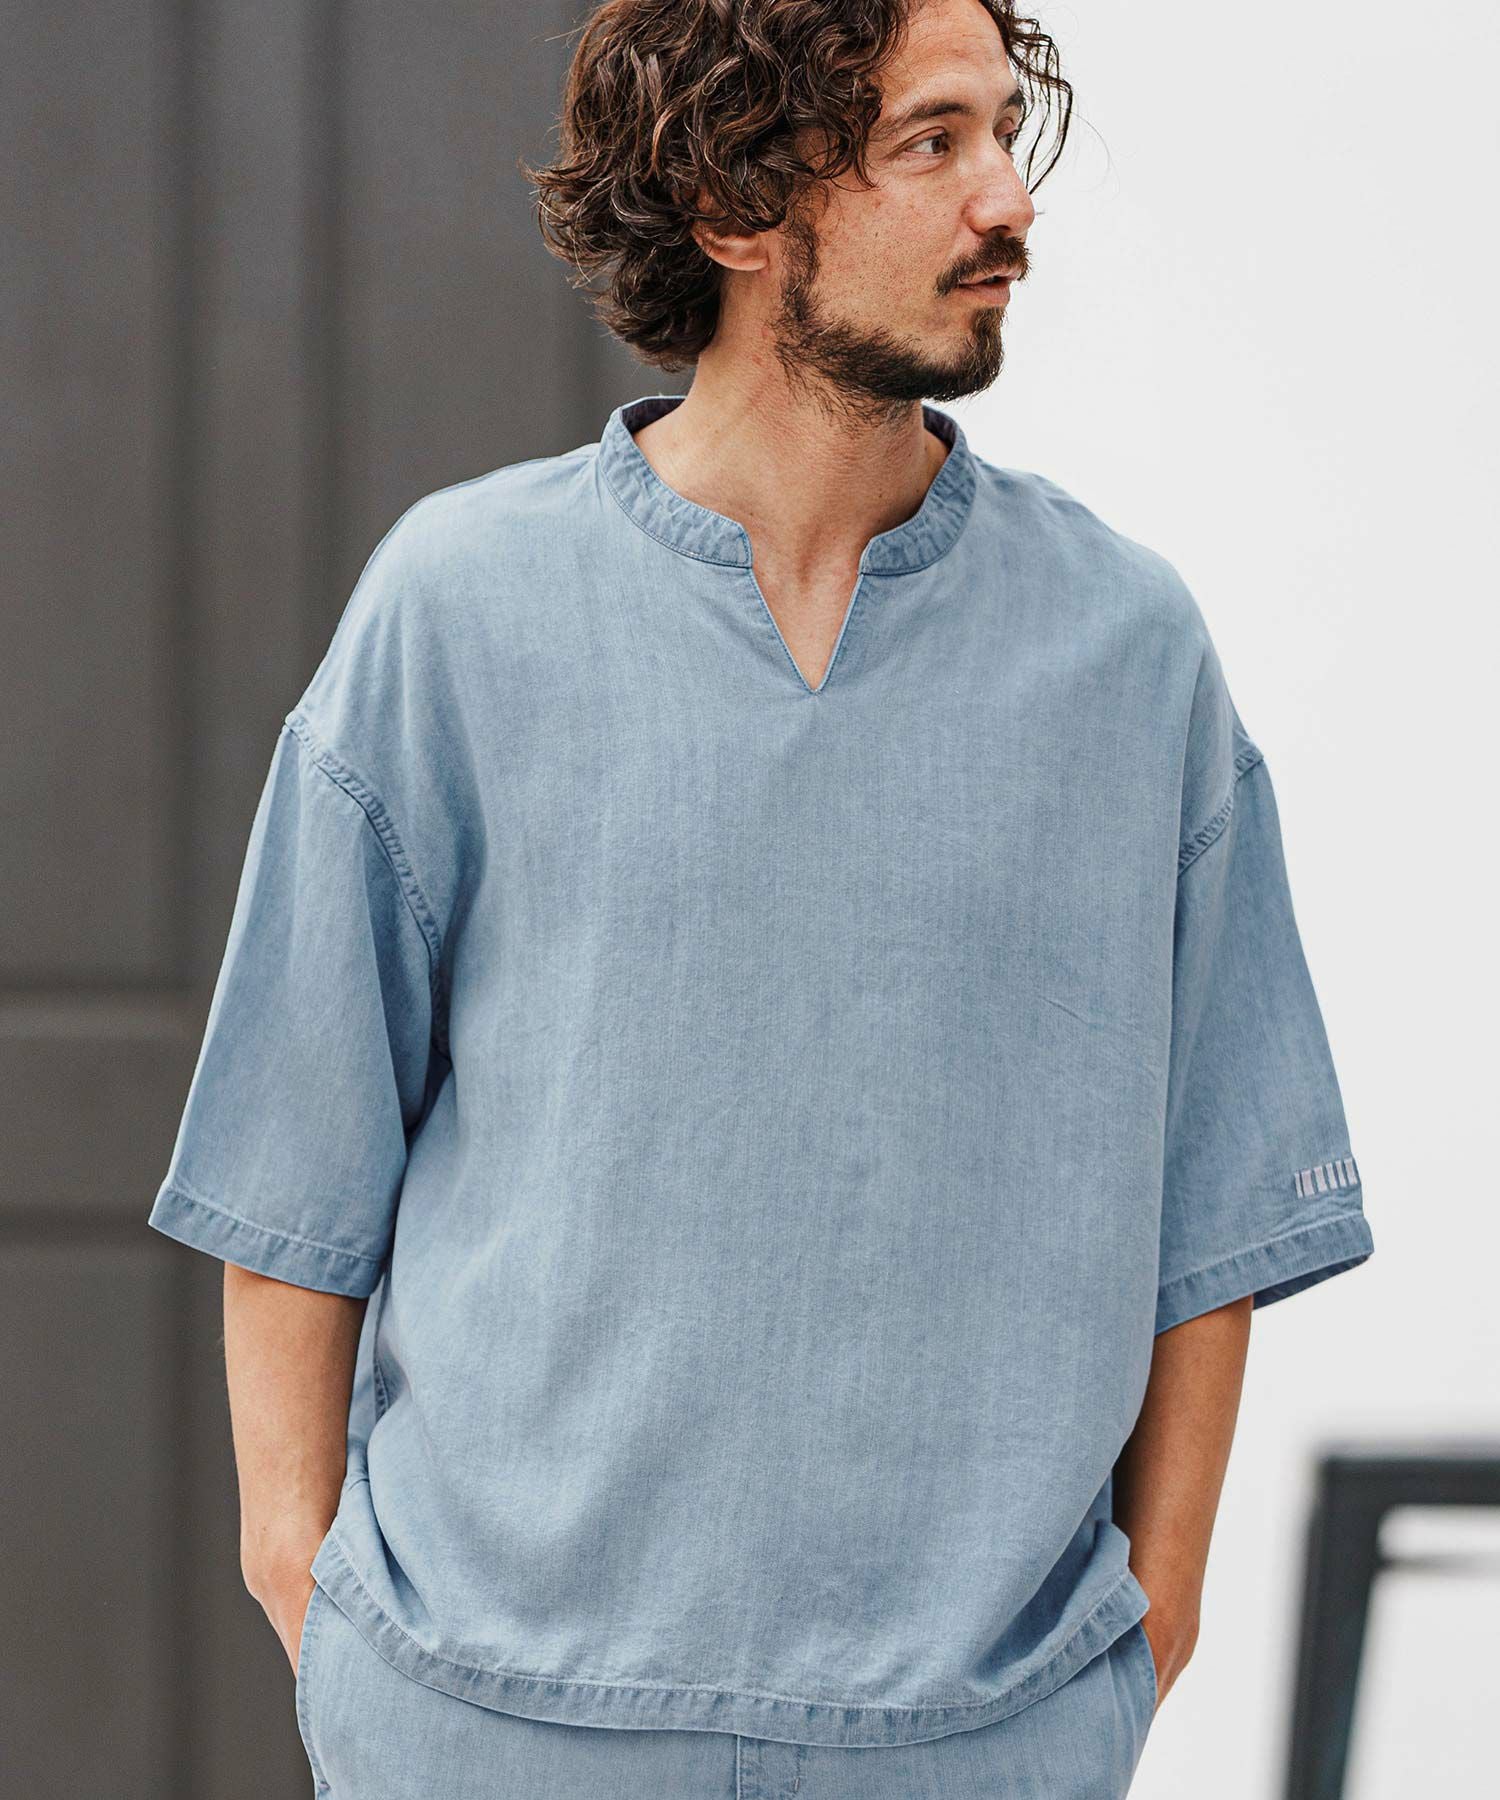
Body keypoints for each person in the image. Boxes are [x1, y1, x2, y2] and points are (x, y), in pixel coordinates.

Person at [146, 0, 1375, 1793]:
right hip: (494, 1728)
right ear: (734, 203)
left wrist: (1143, 1626)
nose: (1008, 199)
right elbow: (292, 1170)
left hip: (978, 1743)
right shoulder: (459, 609)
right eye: (931, 142)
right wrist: (314, 1594)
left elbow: (1221, 1205)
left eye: (1003, 133)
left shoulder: (1128, 650)